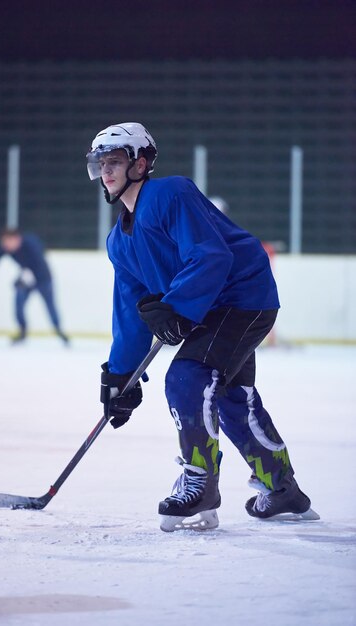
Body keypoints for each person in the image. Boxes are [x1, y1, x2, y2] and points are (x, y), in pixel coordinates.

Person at [86, 122, 318, 532]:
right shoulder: (118, 241)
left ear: (140, 164)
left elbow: (211, 256)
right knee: (231, 397)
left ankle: (201, 485)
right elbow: (130, 308)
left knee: (188, 377)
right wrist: (121, 375)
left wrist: (176, 307)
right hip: (213, 308)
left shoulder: (169, 194)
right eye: (101, 164)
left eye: (115, 162)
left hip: (241, 298)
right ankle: (284, 491)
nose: (106, 172)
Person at [0, 228, 70, 345]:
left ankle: (59, 330)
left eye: (8, 242)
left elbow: (39, 261)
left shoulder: (31, 243)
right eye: (4, 243)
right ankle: (22, 331)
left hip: (43, 278)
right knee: (18, 301)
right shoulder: (5, 247)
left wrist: (27, 275)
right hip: (26, 277)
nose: (6, 246)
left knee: (50, 305)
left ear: (16, 239)